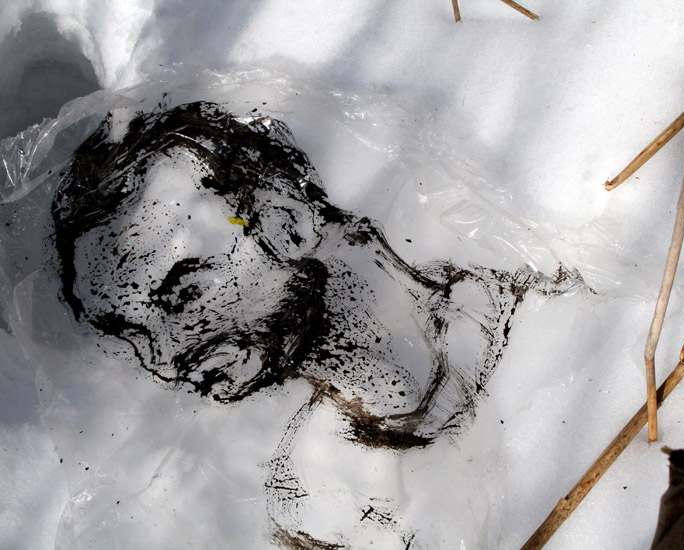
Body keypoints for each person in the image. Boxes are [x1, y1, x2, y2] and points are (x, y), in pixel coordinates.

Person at [52, 101, 581, 547]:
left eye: (185, 293)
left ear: (285, 218)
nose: (167, 360)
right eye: (133, 335)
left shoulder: (556, 317)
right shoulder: (314, 502)